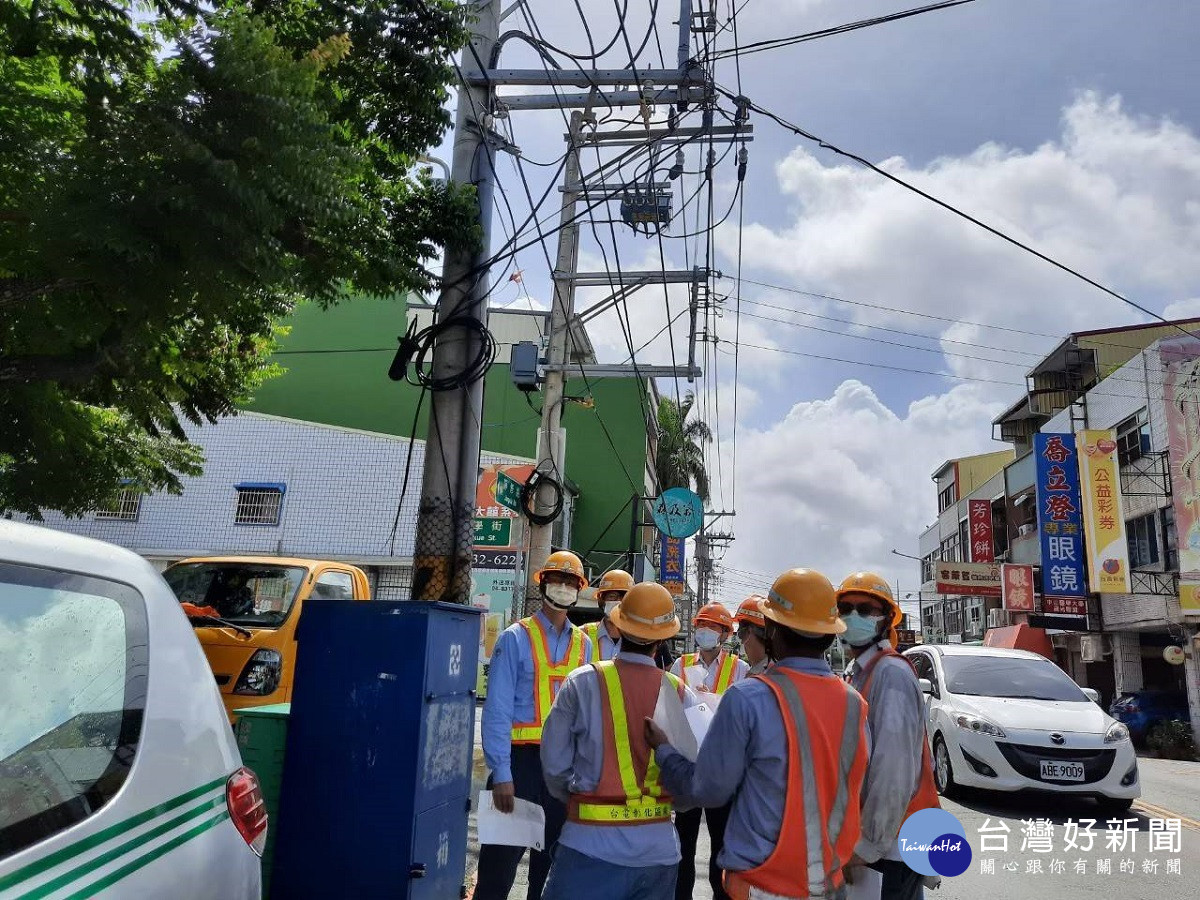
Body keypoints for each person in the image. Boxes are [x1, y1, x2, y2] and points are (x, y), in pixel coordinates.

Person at [647, 568, 871, 900]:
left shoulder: (749, 696)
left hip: (761, 884)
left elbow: (708, 788)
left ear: (773, 631)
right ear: (829, 635)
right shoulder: (855, 704)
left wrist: (664, 751)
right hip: (827, 882)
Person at [541, 582, 703, 899]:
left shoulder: (582, 681)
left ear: (620, 624)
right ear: (664, 638)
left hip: (588, 846)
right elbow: (693, 784)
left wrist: (578, 797)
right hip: (658, 855)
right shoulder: (683, 693)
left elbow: (554, 766)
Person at [477, 550, 593, 900]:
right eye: (557, 580)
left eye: (571, 583)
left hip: (561, 770)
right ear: (542, 584)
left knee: (550, 869)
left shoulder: (584, 645)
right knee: (498, 871)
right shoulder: (515, 638)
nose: (563, 588)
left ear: (579, 590)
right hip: (519, 765)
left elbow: (585, 715)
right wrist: (501, 773)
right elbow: (496, 709)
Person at [837, 573, 940, 900]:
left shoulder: (890, 674)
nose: (854, 617)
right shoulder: (864, 672)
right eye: (845, 609)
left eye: (865, 609)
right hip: (888, 843)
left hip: (891, 845)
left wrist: (866, 846)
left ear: (885, 620)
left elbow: (893, 772)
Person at [669, 601, 749, 900]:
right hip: (689, 765)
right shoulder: (681, 665)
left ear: (725, 634)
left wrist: (711, 700)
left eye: (714, 628)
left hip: (722, 768)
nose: (706, 632)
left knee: (721, 847)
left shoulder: (739, 668)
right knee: (683, 845)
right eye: (703, 626)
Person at [582, 569, 634, 662]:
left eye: (624, 597)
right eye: (612, 596)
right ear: (601, 600)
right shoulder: (582, 634)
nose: (618, 602)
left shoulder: (640, 639)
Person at [734, 596, 770, 676]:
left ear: (749, 632)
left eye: (740, 634)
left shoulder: (758, 678)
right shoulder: (778, 669)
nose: (741, 641)